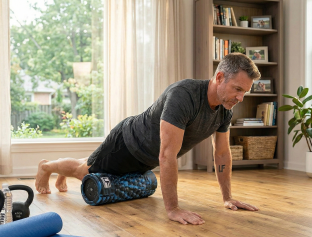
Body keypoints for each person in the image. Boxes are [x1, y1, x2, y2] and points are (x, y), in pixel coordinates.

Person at [35, 53, 261, 225]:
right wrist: (172, 209)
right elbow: (167, 154)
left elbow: (221, 153)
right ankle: (47, 167)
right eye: (237, 89)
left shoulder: (225, 109)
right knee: (83, 171)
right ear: (219, 77)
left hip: (147, 158)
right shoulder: (184, 95)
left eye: (245, 92)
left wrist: (228, 197)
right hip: (128, 143)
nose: (240, 98)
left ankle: (60, 171)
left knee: (85, 166)